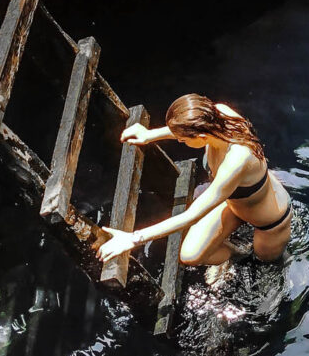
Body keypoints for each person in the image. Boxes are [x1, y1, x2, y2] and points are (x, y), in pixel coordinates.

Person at [98, 94, 292, 268]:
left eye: (183, 141)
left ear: (201, 137)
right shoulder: (216, 116)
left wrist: (132, 239)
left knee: (263, 264)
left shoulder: (237, 160)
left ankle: (272, 252)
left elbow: (192, 215)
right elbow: (187, 128)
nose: (181, 142)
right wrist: (150, 135)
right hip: (235, 203)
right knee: (191, 256)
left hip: (270, 222)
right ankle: (236, 255)